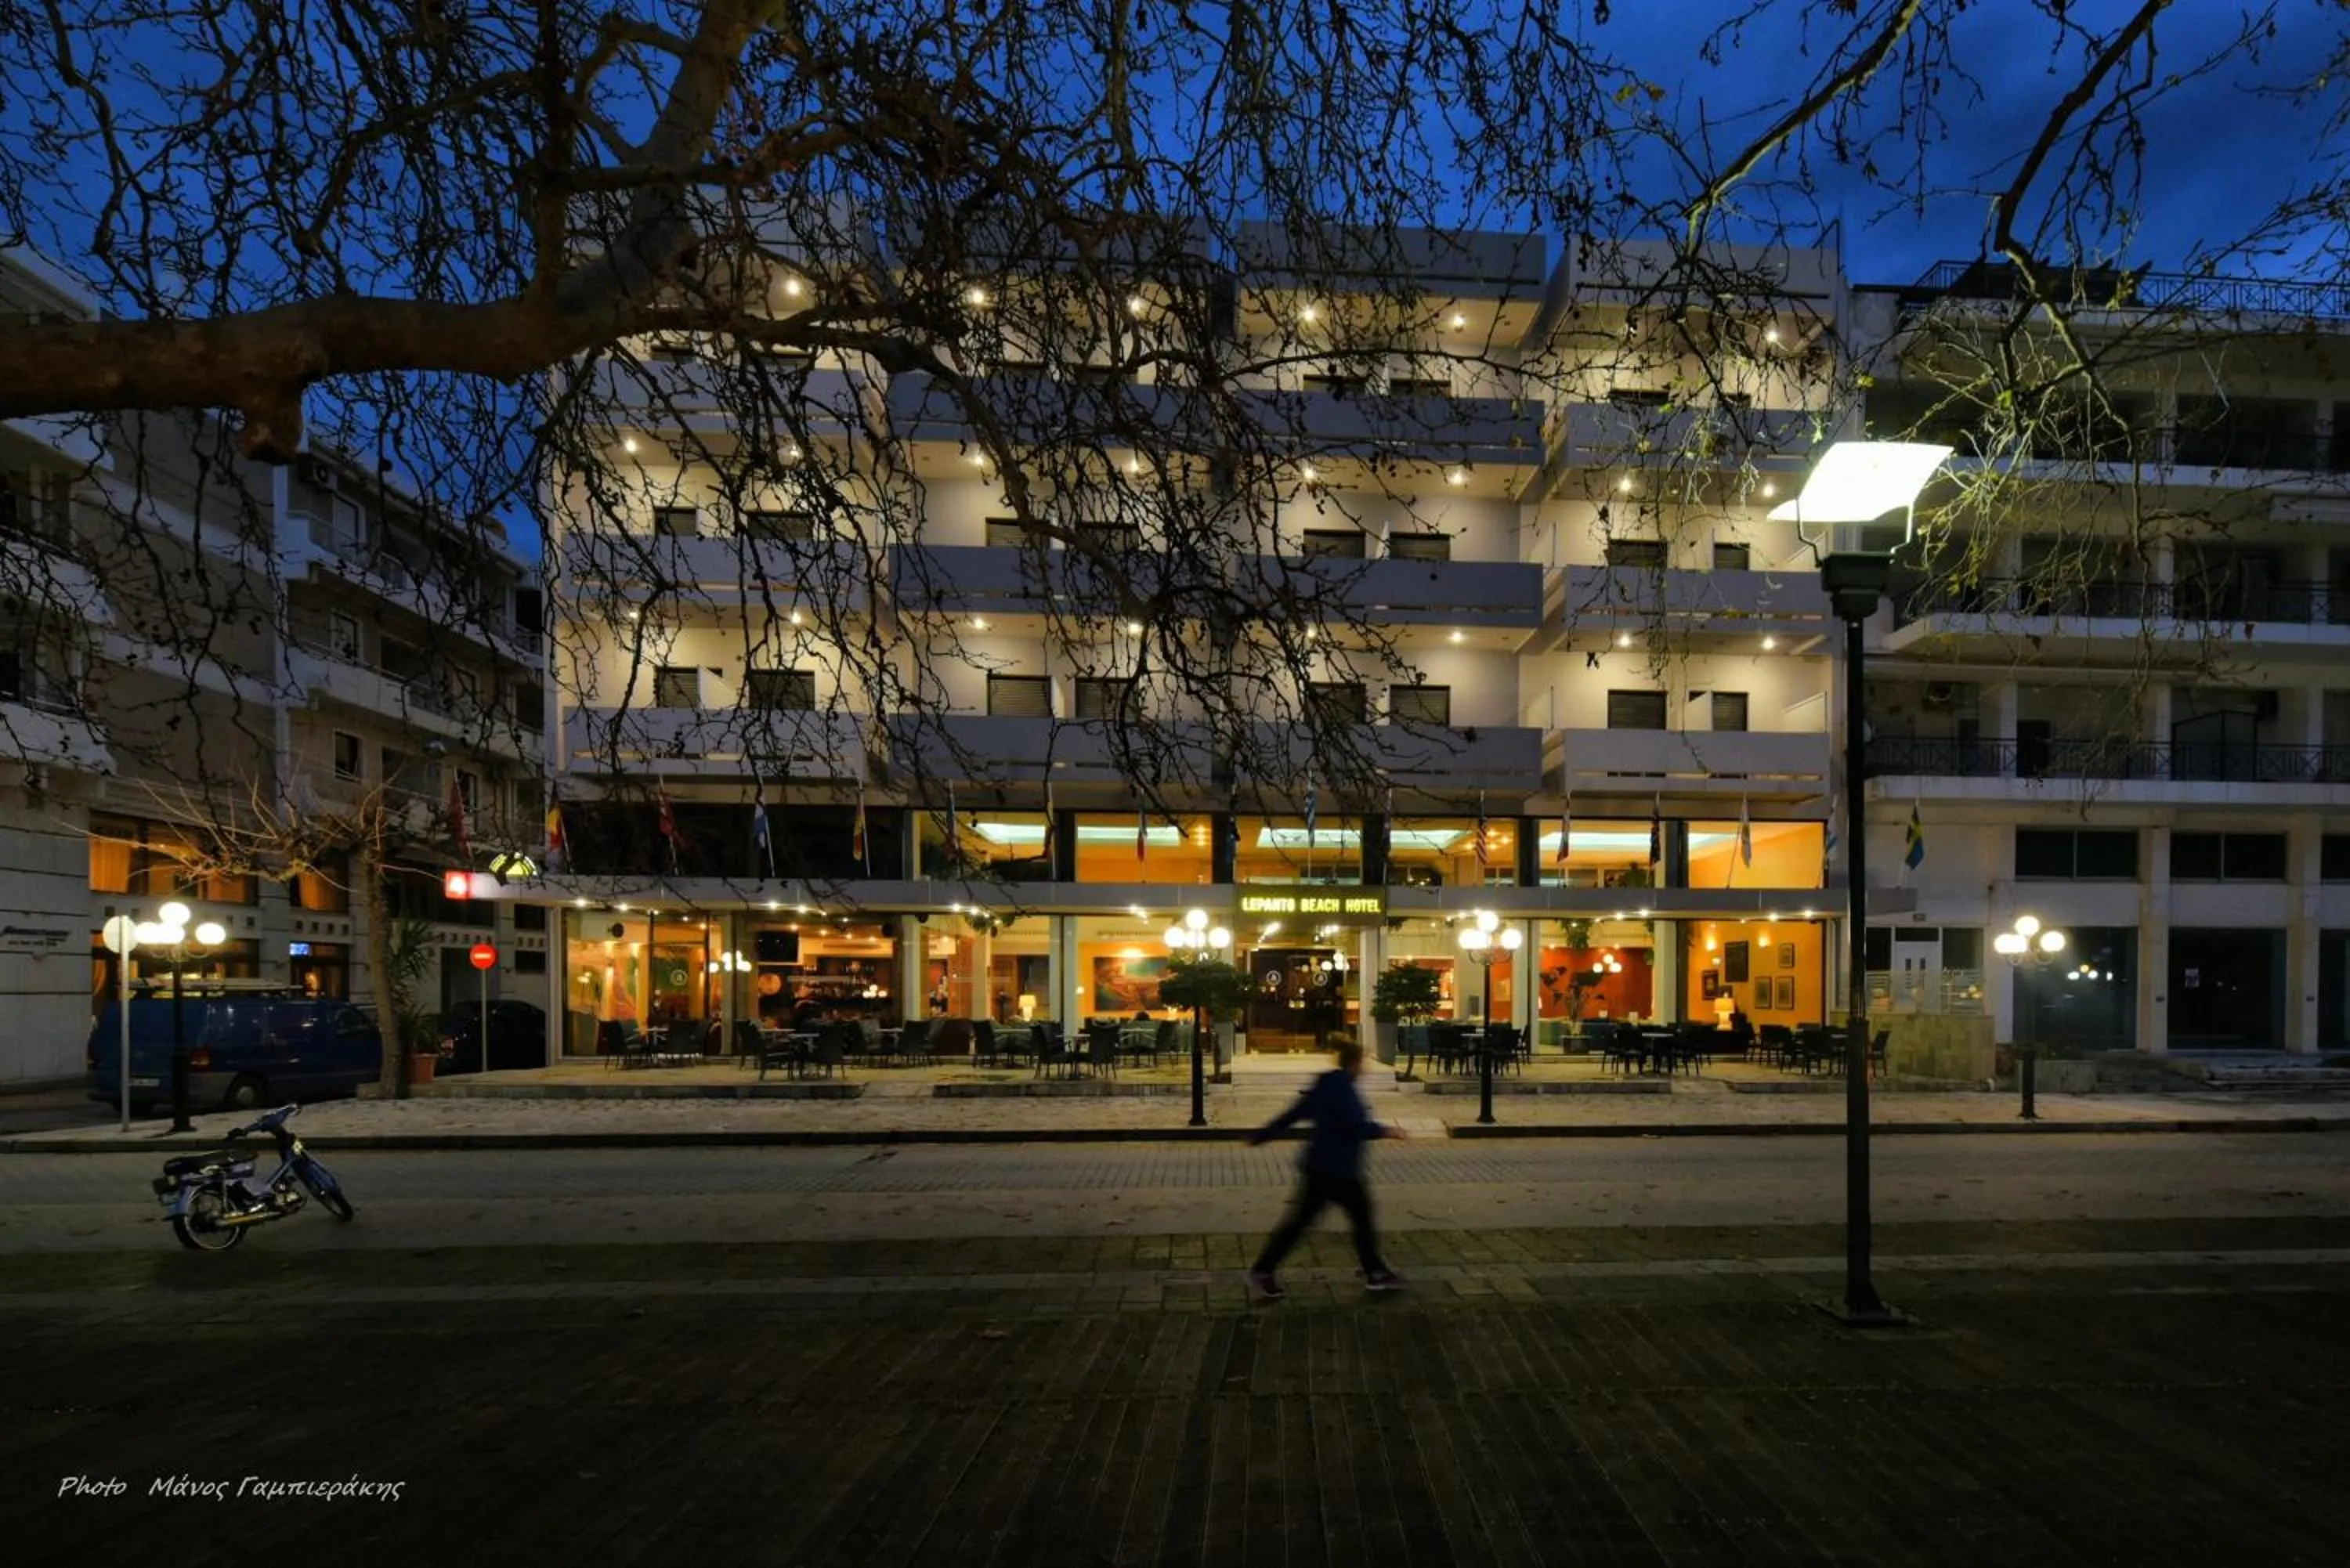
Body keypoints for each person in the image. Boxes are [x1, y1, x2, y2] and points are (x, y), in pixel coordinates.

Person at [1244, 1039, 1405, 1299]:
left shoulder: (1325, 1085)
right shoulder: (1344, 1090)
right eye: (1363, 1063)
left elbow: (1293, 1114)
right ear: (1355, 1063)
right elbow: (1354, 1126)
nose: (1365, 1068)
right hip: (1337, 1170)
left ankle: (1374, 1271)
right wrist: (1387, 1130)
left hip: (1321, 1166)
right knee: (1349, 1220)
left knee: (1312, 1221)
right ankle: (1374, 1273)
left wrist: (1263, 1135)